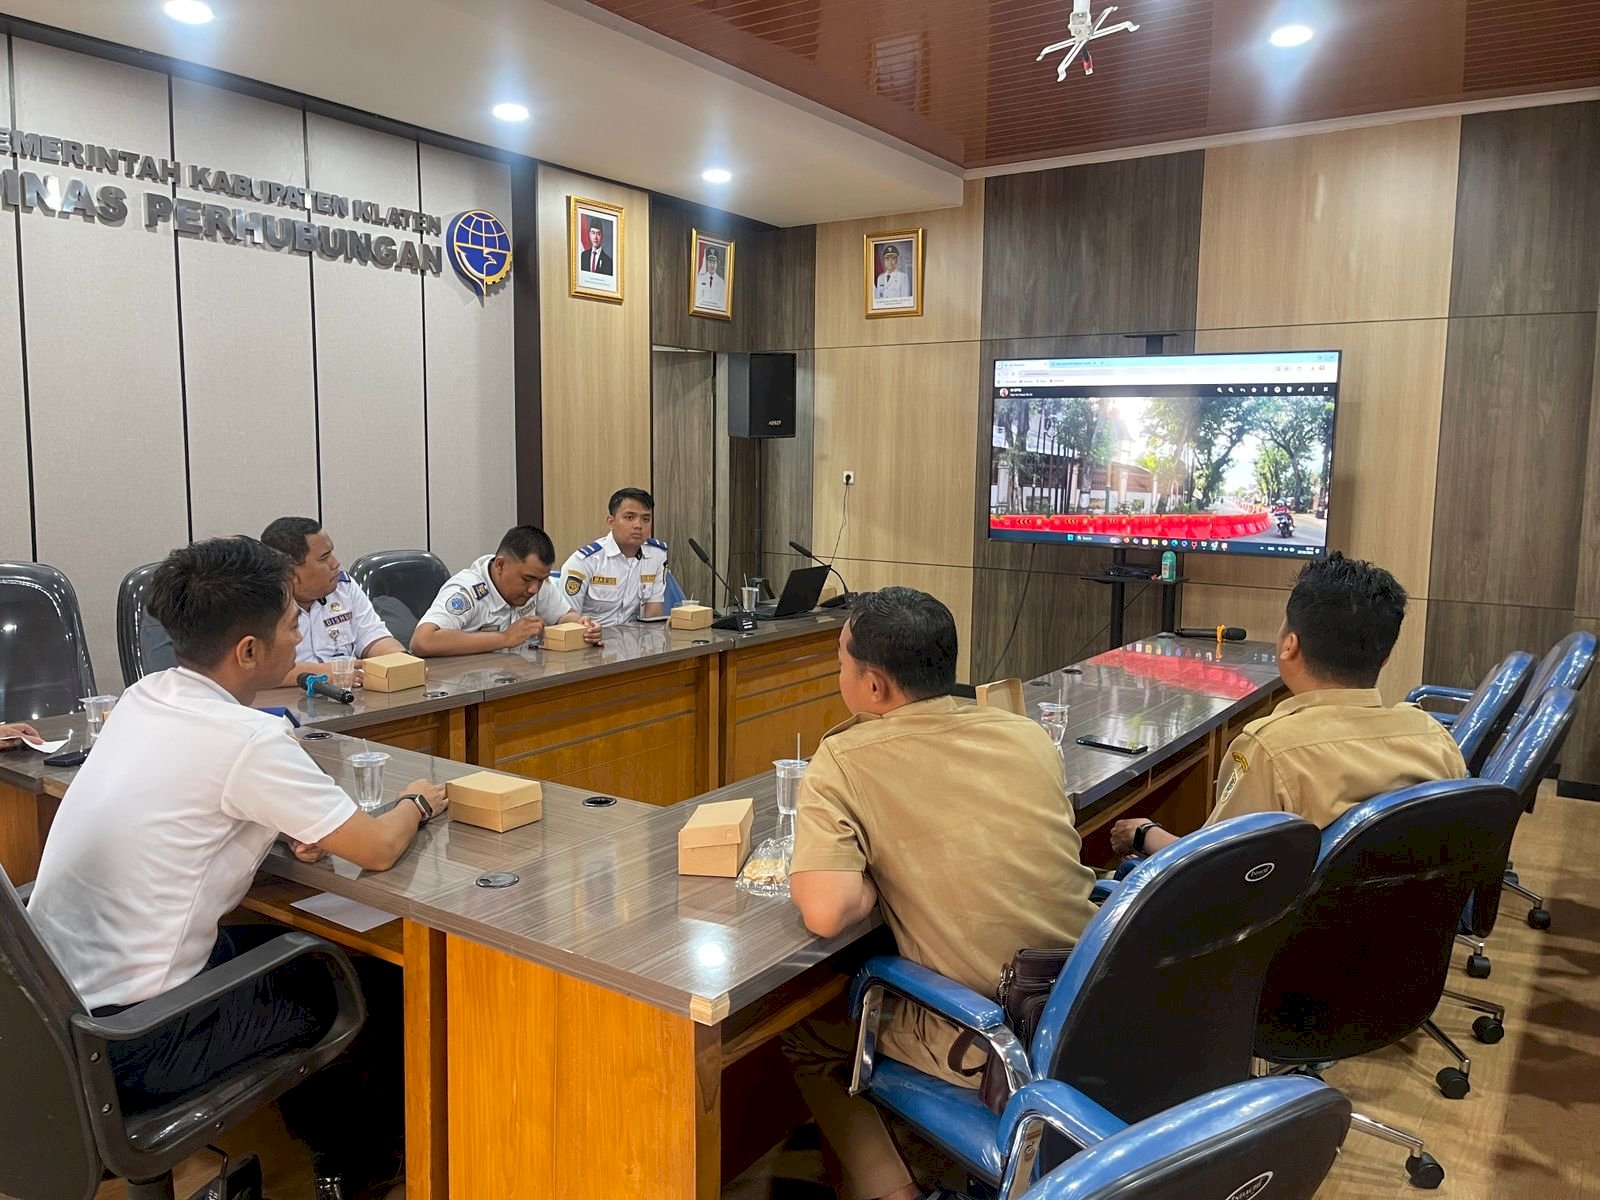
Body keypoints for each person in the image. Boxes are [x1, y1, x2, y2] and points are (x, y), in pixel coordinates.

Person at [26, 536, 449, 1198]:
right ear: (249, 650)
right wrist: (416, 802)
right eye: (291, 624)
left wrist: (287, 822)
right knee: (366, 982)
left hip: (54, 1015)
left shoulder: (145, 695)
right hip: (139, 1037)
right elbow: (375, 848)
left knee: (299, 953)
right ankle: (356, 1173)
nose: (299, 635)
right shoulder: (249, 739)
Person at [782, 587, 1099, 1200]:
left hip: (999, 1033)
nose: (839, 675)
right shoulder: (1024, 734)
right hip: (1086, 1000)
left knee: (808, 1030)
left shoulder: (844, 759)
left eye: (841, 664)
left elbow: (826, 910)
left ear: (874, 685)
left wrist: (875, 881)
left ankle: (895, 1190)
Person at [1110, 553, 1467, 862]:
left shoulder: (1269, 749)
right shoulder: (1434, 737)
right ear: (1385, 657)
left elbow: (1215, 866)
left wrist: (1145, 833)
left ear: (1289, 646)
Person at [260, 516, 406, 687]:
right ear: (290, 572)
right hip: (287, 698)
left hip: (349, 694)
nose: (335, 563)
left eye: (331, 553)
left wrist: (402, 661)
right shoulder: (260, 603)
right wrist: (321, 673)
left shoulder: (344, 587)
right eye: (324, 558)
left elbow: (375, 638)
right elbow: (259, 671)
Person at [411, 524, 599, 656]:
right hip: (468, 686)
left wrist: (582, 624)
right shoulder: (467, 590)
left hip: (517, 679)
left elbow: (564, 615)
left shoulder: (537, 582)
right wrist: (504, 638)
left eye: (541, 580)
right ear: (500, 565)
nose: (534, 589)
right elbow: (422, 641)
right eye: (527, 579)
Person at [557, 488, 671, 627]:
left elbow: (653, 616)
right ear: (611, 522)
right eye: (629, 517)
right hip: (592, 635)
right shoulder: (585, 561)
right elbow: (566, 620)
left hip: (636, 637)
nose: (638, 525)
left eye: (645, 519)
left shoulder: (657, 555)